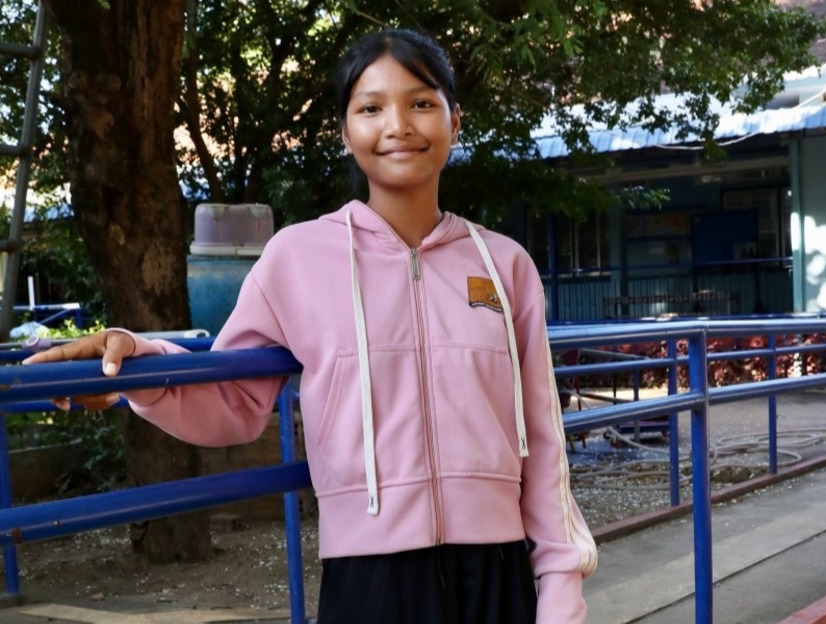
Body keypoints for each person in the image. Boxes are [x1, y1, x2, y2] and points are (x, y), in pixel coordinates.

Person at [25, 27, 597, 624]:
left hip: (497, 573)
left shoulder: (504, 265)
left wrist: (561, 587)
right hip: (367, 579)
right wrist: (135, 369)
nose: (398, 125)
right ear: (345, 133)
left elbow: (543, 438)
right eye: (371, 108)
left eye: (422, 103)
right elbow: (234, 398)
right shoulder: (297, 258)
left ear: (455, 122)